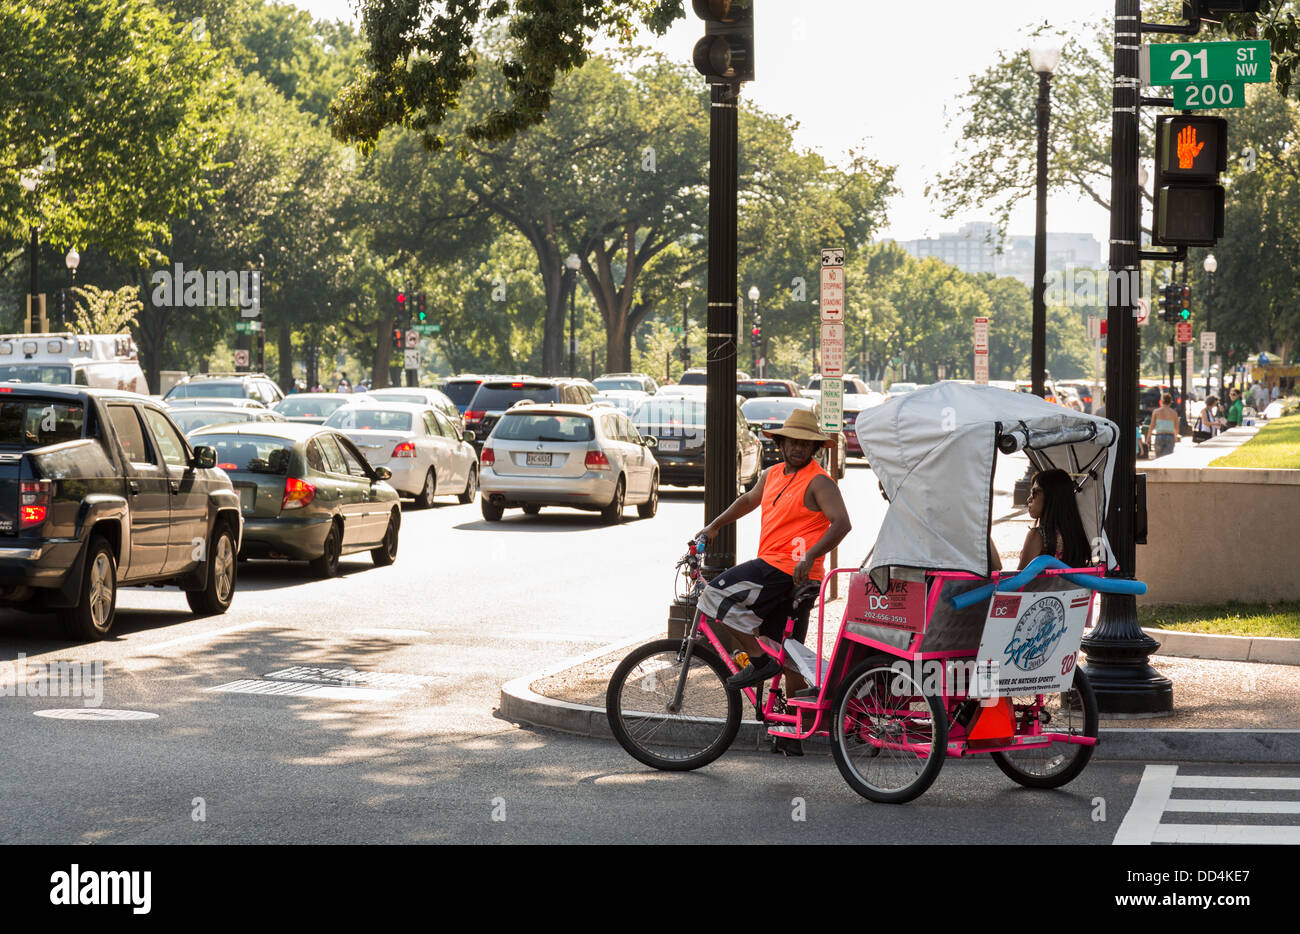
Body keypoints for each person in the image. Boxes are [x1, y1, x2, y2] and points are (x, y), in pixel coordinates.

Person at [694, 409, 851, 703]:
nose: (797, 448)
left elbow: (842, 523)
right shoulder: (772, 474)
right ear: (780, 444)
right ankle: (790, 727)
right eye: (791, 442)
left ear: (815, 448)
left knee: (713, 595)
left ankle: (757, 661)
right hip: (779, 570)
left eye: (804, 444)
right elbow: (749, 500)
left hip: (788, 569)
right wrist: (715, 526)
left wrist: (810, 556)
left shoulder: (819, 481)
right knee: (787, 653)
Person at [1018, 468, 1091, 570]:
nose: (1029, 499)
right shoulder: (1075, 535)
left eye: (1034, 493)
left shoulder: (1036, 536)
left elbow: (1019, 581)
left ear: (1051, 496)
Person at [1146, 392, 1179, 458]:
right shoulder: (1174, 413)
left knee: (1158, 458)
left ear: (1161, 401)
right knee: (1167, 458)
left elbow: (1152, 425)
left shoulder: (1156, 411)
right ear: (1170, 402)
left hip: (1159, 435)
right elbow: (1176, 428)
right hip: (1170, 436)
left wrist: (1148, 437)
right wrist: (1175, 437)